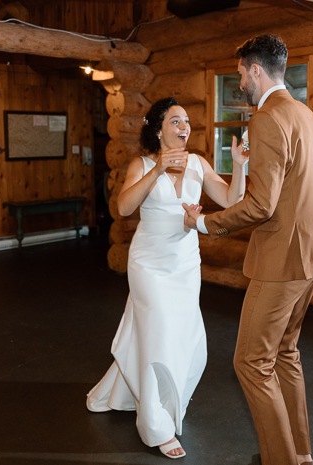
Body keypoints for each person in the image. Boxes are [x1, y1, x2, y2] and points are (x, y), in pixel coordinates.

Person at [183, 34, 313, 465]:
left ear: (256, 70)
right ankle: (302, 454)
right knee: (284, 353)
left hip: (282, 261)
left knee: (251, 362)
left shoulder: (268, 118)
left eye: (240, 73)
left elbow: (260, 206)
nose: (240, 82)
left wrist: (203, 223)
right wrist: (300, 215)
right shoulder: (307, 115)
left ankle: (282, 461)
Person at [86, 97, 248, 459]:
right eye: (176, 121)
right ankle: (155, 424)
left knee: (182, 335)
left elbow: (230, 198)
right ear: (158, 129)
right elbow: (124, 209)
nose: (184, 127)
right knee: (157, 333)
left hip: (185, 263)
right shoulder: (142, 164)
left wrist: (238, 166)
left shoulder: (198, 163)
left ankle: (125, 392)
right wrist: (157, 170)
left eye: (187, 121)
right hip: (149, 263)